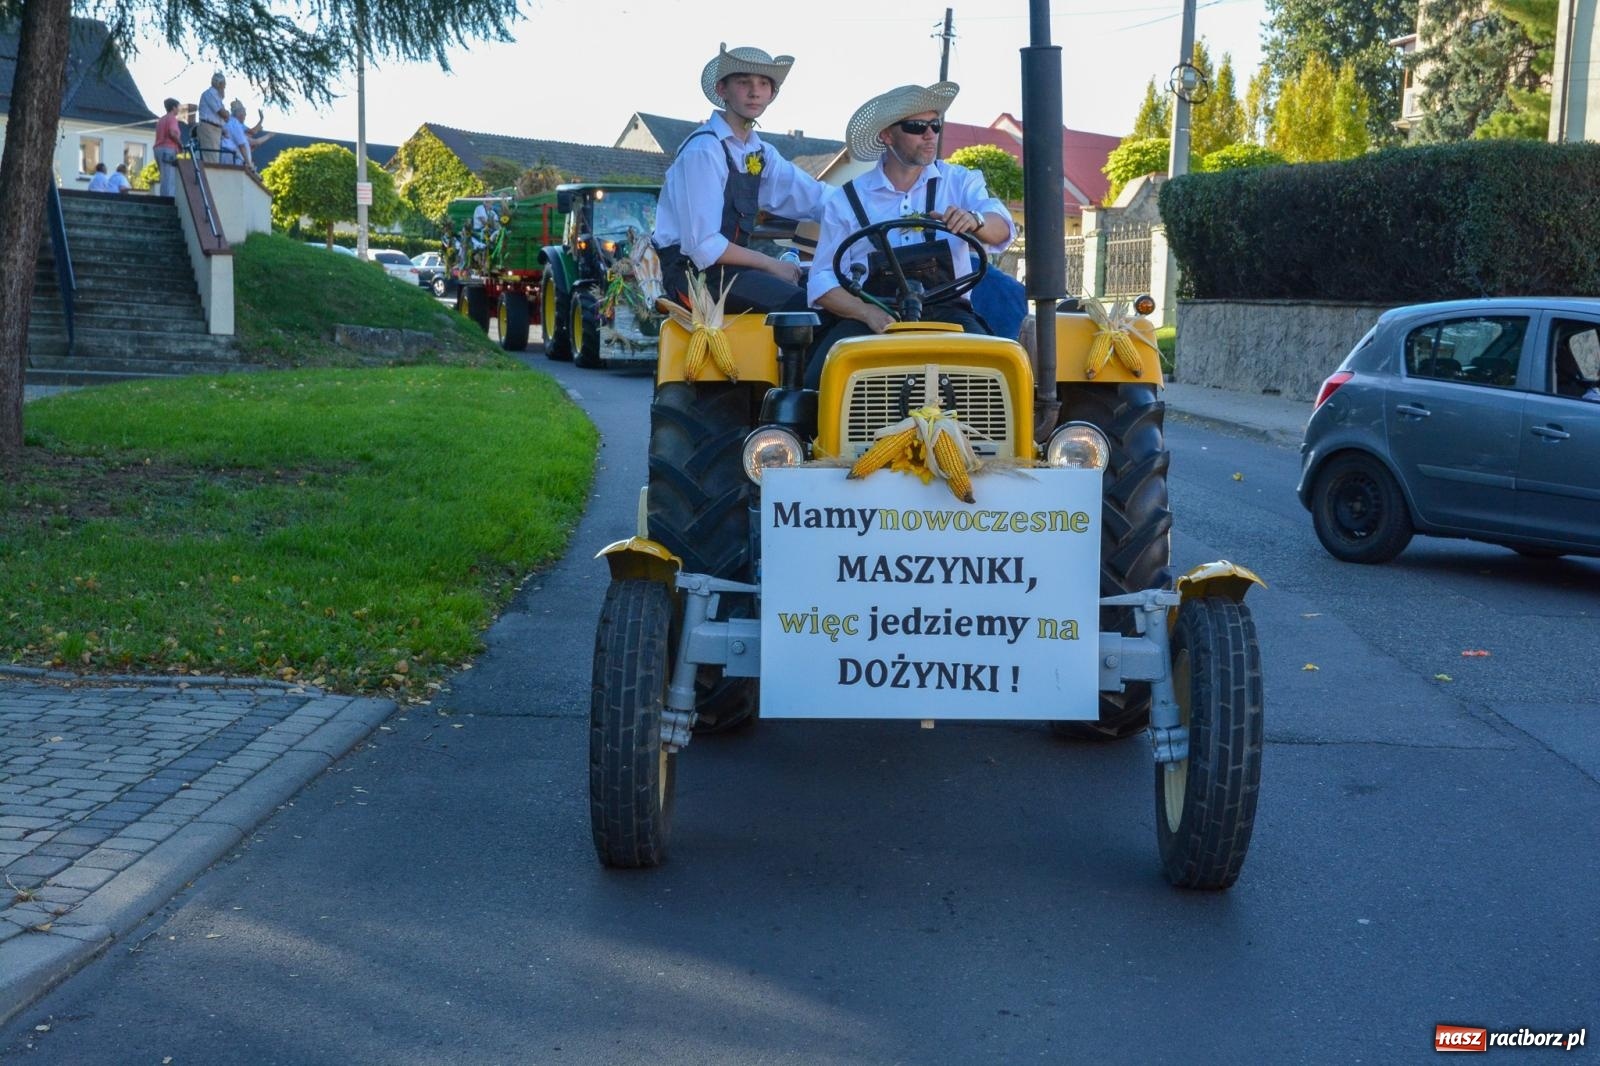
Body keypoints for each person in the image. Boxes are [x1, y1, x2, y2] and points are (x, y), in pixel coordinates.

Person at [805, 81, 1015, 388]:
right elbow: (822, 279)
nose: (930, 134)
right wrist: (866, 312)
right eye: (917, 126)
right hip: (873, 315)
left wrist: (975, 220)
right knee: (816, 386)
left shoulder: (959, 181)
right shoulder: (846, 199)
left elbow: (1003, 229)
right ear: (887, 136)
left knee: (996, 379)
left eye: (935, 125)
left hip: (949, 315)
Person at [651, 43, 828, 315]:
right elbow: (704, 247)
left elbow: (816, 198)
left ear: (772, 94)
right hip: (694, 278)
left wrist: (867, 207)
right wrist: (771, 264)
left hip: (732, 273)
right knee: (803, 308)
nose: (755, 91)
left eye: (763, 84)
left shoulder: (760, 153)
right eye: (744, 82)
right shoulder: (704, 150)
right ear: (723, 90)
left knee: (827, 294)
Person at [197, 71, 229, 162]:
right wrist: (227, 113)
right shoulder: (210, 94)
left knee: (215, 157)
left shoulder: (217, 97)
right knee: (211, 158)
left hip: (215, 129)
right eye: (224, 84)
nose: (225, 87)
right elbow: (223, 113)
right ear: (219, 84)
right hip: (209, 128)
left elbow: (226, 117)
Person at [154, 97, 182, 197]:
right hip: (168, 149)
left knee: (164, 177)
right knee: (169, 177)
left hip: (158, 149)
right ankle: (168, 200)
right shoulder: (172, 118)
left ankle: (164, 197)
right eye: (178, 107)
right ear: (173, 107)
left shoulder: (161, 119)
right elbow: (172, 133)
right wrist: (180, 144)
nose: (179, 109)